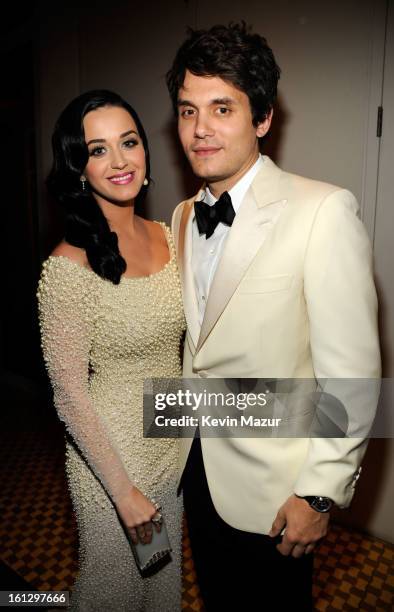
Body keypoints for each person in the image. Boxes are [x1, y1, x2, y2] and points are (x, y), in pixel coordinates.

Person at [166, 23, 381, 610]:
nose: (201, 128)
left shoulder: (324, 211)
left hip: (277, 496)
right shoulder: (184, 216)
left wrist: (318, 496)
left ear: (262, 118)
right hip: (196, 471)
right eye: (187, 111)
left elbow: (353, 377)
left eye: (221, 108)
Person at [37, 90, 185, 611]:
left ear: (146, 151)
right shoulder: (68, 265)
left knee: (163, 588)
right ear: (78, 167)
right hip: (112, 465)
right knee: (113, 592)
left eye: (128, 142)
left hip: (172, 451)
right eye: (97, 150)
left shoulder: (172, 236)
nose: (119, 161)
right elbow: (70, 395)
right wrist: (123, 493)